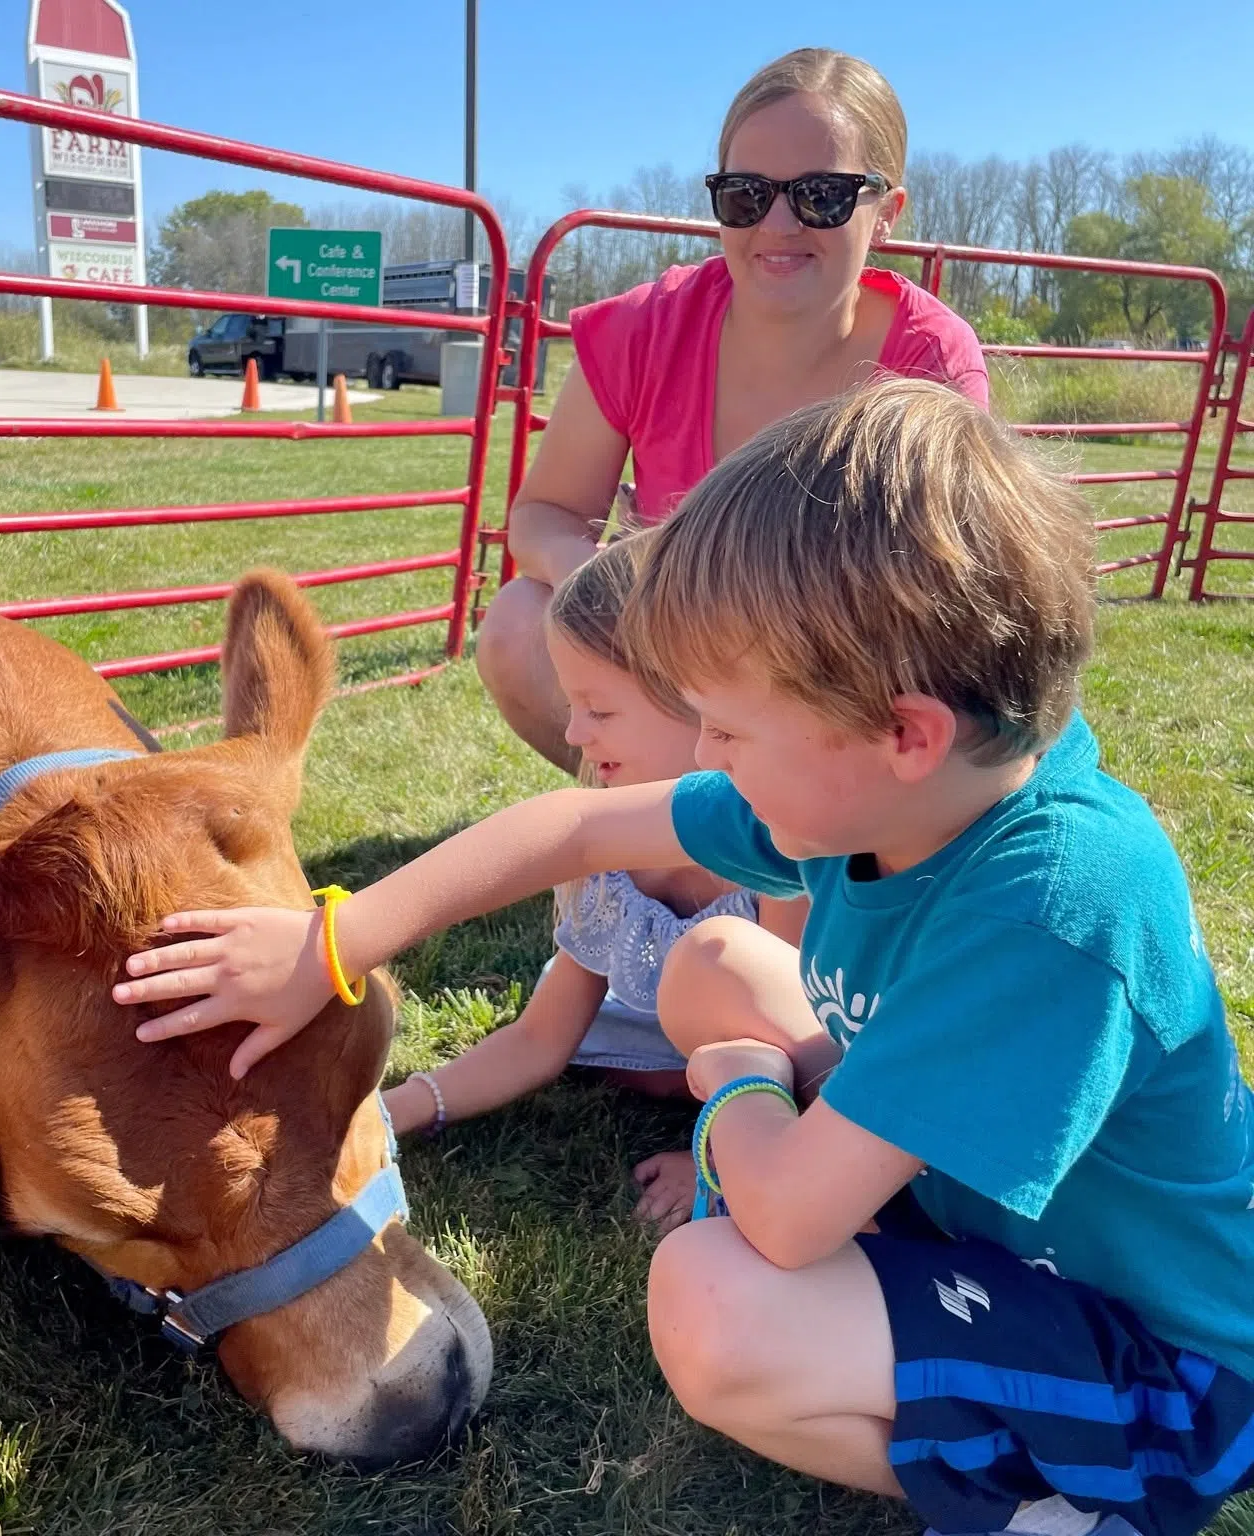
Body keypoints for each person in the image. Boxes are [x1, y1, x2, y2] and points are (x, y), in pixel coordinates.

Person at [115, 379, 1254, 1536]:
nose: (700, 757)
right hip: (979, 1232)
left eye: (726, 725)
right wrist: (331, 944)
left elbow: (790, 1221)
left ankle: (1062, 1513)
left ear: (904, 732)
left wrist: (739, 1077)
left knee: (713, 1302)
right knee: (716, 961)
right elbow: (565, 828)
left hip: (1165, 1369)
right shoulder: (890, 791)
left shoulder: (1052, 905)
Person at [477, 46, 988, 774]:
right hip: (666, 643)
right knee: (517, 626)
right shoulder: (643, 329)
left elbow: (932, 595)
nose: (777, 224)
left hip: (836, 674)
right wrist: (618, 583)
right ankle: (654, 834)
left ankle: (787, 845)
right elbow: (543, 516)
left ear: (886, 214)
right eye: (747, 194)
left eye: (822, 195)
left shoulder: (931, 361)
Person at [381, 539, 817, 1233]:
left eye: (600, 709)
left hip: (782, 1061)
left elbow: (809, 1047)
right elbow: (538, 1040)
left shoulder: (785, 853)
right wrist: (399, 1107)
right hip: (650, 1046)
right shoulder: (607, 861)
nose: (574, 731)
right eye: (571, 705)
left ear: (699, 700)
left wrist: (714, 1152)